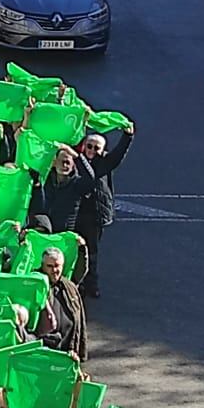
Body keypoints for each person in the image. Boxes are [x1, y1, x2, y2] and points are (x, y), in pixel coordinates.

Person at [75, 125, 133, 301]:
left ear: (102, 150)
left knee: (91, 252)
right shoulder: (76, 160)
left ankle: (91, 284)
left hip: (94, 216)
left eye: (96, 147)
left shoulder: (104, 163)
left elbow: (118, 155)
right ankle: (76, 284)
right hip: (76, 213)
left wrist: (127, 136)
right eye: (89, 146)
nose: (92, 150)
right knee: (74, 249)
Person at [31, 145, 97, 234]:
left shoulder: (77, 183)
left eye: (68, 162)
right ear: (54, 162)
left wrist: (77, 156)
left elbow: (90, 179)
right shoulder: (46, 180)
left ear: (73, 165)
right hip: (43, 230)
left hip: (65, 234)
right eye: (61, 162)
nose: (64, 165)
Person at [36, 247, 88, 360]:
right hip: (44, 352)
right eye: (49, 266)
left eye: (57, 266)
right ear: (42, 265)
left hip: (68, 350)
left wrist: (82, 249)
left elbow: (80, 271)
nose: (54, 270)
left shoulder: (70, 287)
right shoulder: (35, 285)